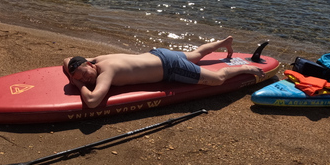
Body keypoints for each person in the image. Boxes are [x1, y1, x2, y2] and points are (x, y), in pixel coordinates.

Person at [63, 36, 264, 108]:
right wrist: (75, 74)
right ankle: (223, 42)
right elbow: (66, 60)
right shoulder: (98, 59)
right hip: (159, 54)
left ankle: (244, 68)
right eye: (81, 78)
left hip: (171, 68)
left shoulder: (107, 72)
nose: (87, 79)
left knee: (218, 79)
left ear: (89, 64)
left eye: (86, 74)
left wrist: (78, 84)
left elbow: (92, 102)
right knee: (195, 54)